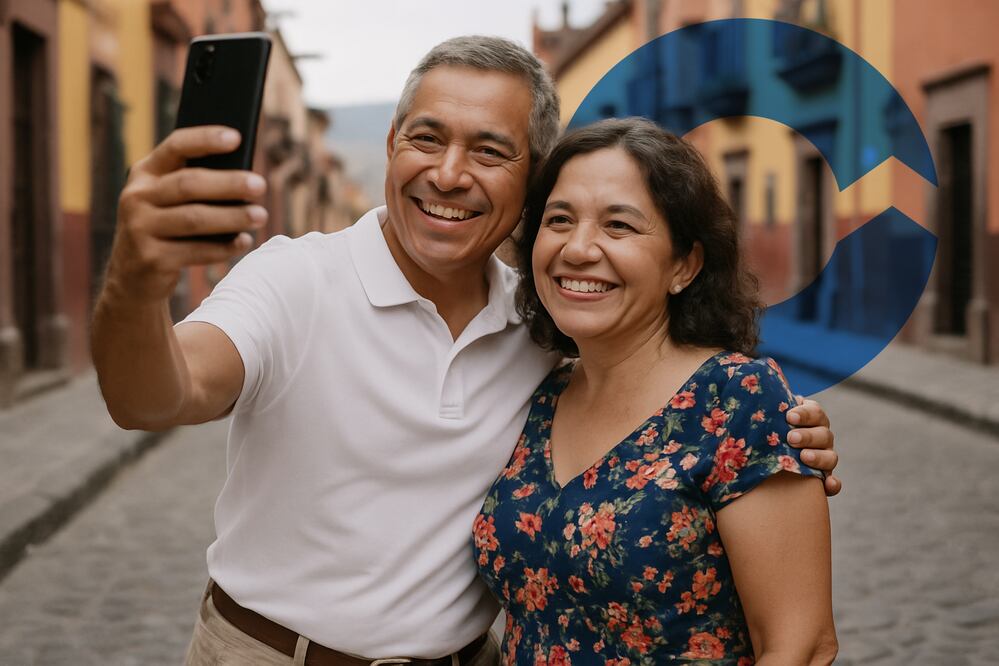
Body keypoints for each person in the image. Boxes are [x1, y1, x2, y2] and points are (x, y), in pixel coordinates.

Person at [91, 37, 839, 665]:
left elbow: (663, 413)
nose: (448, 174)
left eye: (489, 150)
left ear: (527, 178)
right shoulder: (294, 279)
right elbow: (155, 396)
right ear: (390, 144)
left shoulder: (541, 330)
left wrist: (774, 436)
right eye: (426, 137)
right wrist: (135, 281)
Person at [473, 118, 837, 665]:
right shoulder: (537, 394)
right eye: (559, 219)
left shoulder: (737, 402)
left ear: (684, 265)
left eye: (618, 225)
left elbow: (801, 645)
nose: (577, 248)